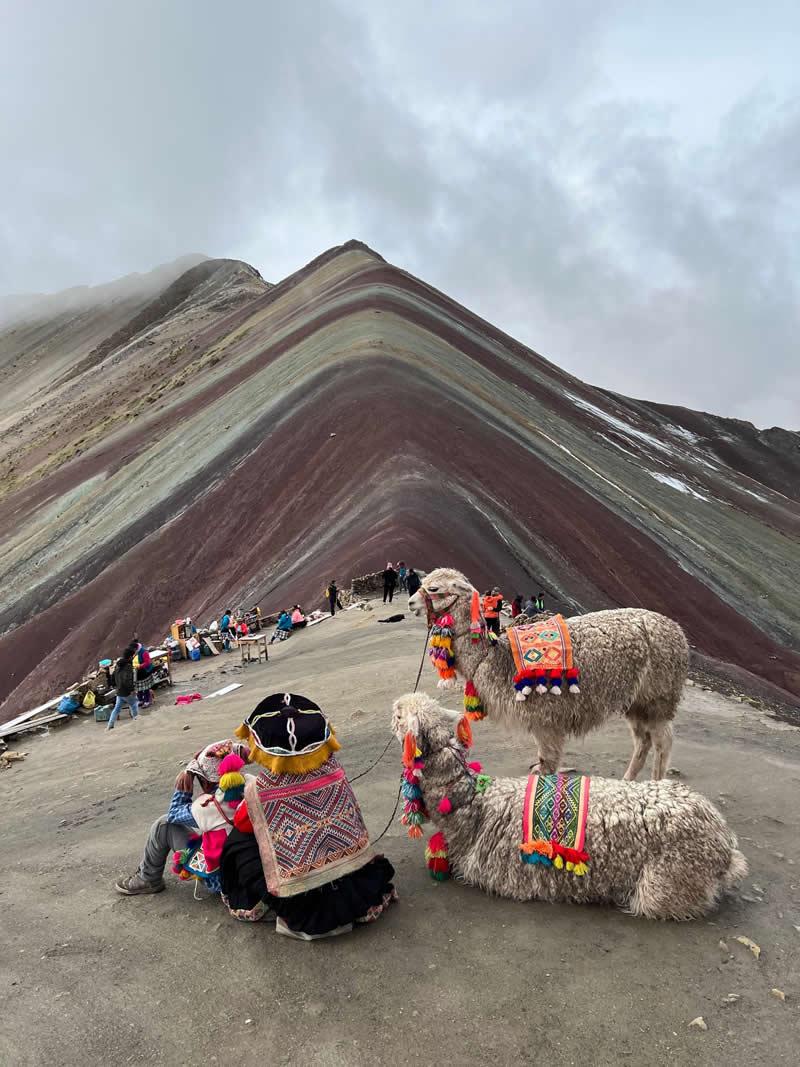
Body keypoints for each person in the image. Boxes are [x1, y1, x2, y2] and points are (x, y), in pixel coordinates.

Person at [220, 693, 397, 937]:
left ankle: (289, 894)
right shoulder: (334, 770)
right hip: (349, 873)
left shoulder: (259, 790)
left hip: (301, 898)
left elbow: (244, 825)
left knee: (238, 843)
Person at [114, 738, 251, 896]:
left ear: (206, 781)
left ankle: (147, 878)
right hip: (252, 871)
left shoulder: (209, 805)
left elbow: (173, 815)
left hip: (226, 881)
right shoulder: (252, 784)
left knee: (163, 825)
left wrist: (184, 786)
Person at [107, 645, 139, 730]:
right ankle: (137, 721)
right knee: (134, 704)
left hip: (119, 691)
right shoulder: (128, 666)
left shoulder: (118, 665)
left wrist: (116, 686)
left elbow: (113, 677)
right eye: (133, 656)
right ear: (130, 657)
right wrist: (132, 690)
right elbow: (127, 680)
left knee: (116, 709)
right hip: (126, 692)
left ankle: (110, 725)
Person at [134, 641, 154, 708]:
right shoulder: (136, 652)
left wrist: (140, 666)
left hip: (146, 670)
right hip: (140, 671)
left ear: (136, 648)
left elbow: (147, 662)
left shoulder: (144, 651)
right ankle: (140, 700)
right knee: (139, 688)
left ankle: (146, 702)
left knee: (146, 688)